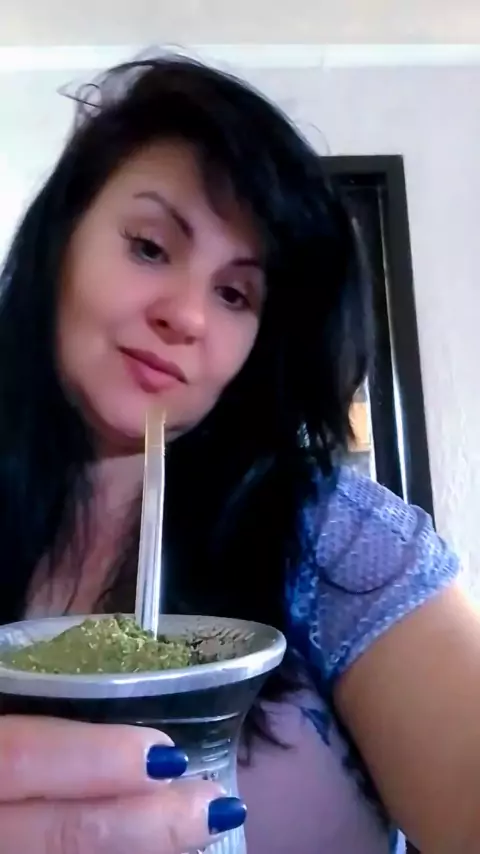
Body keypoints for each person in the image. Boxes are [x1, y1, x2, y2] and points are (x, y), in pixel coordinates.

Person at [0, 53, 477, 854]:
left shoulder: (334, 539)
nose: (187, 316)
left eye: (234, 294)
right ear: (61, 242)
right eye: (150, 247)